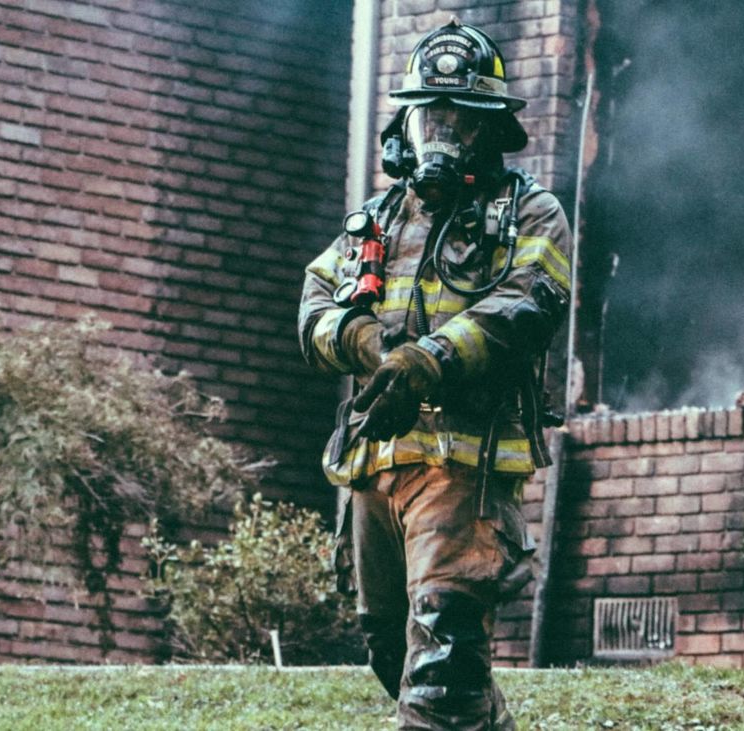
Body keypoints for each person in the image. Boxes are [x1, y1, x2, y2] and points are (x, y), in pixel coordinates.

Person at [298, 18, 572, 730]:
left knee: (443, 661)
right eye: (429, 115)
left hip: (464, 466)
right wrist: (363, 341)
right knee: (394, 650)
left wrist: (427, 360)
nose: (440, 132)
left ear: (489, 127)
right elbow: (314, 304)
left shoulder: (529, 214)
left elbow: (524, 305)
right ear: (408, 123)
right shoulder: (376, 221)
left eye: (456, 117)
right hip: (376, 465)